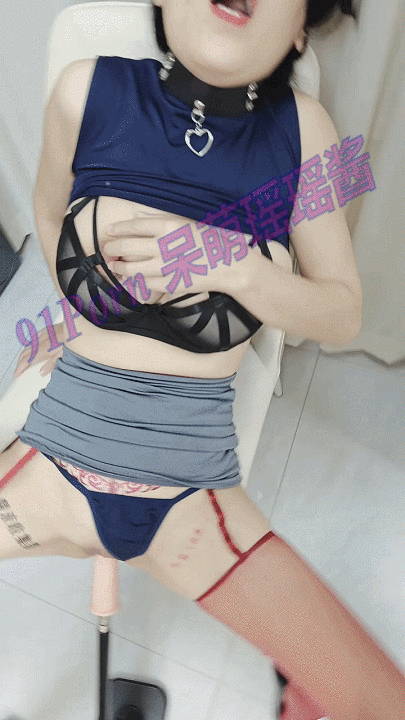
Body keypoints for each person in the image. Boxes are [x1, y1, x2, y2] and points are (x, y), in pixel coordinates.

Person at [2, 1, 405, 718]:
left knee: (378, 703)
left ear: (300, 28)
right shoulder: (84, 89)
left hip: (191, 512)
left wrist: (235, 266)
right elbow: (48, 214)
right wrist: (71, 312)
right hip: (43, 479)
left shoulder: (309, 132)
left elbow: (342, 312)